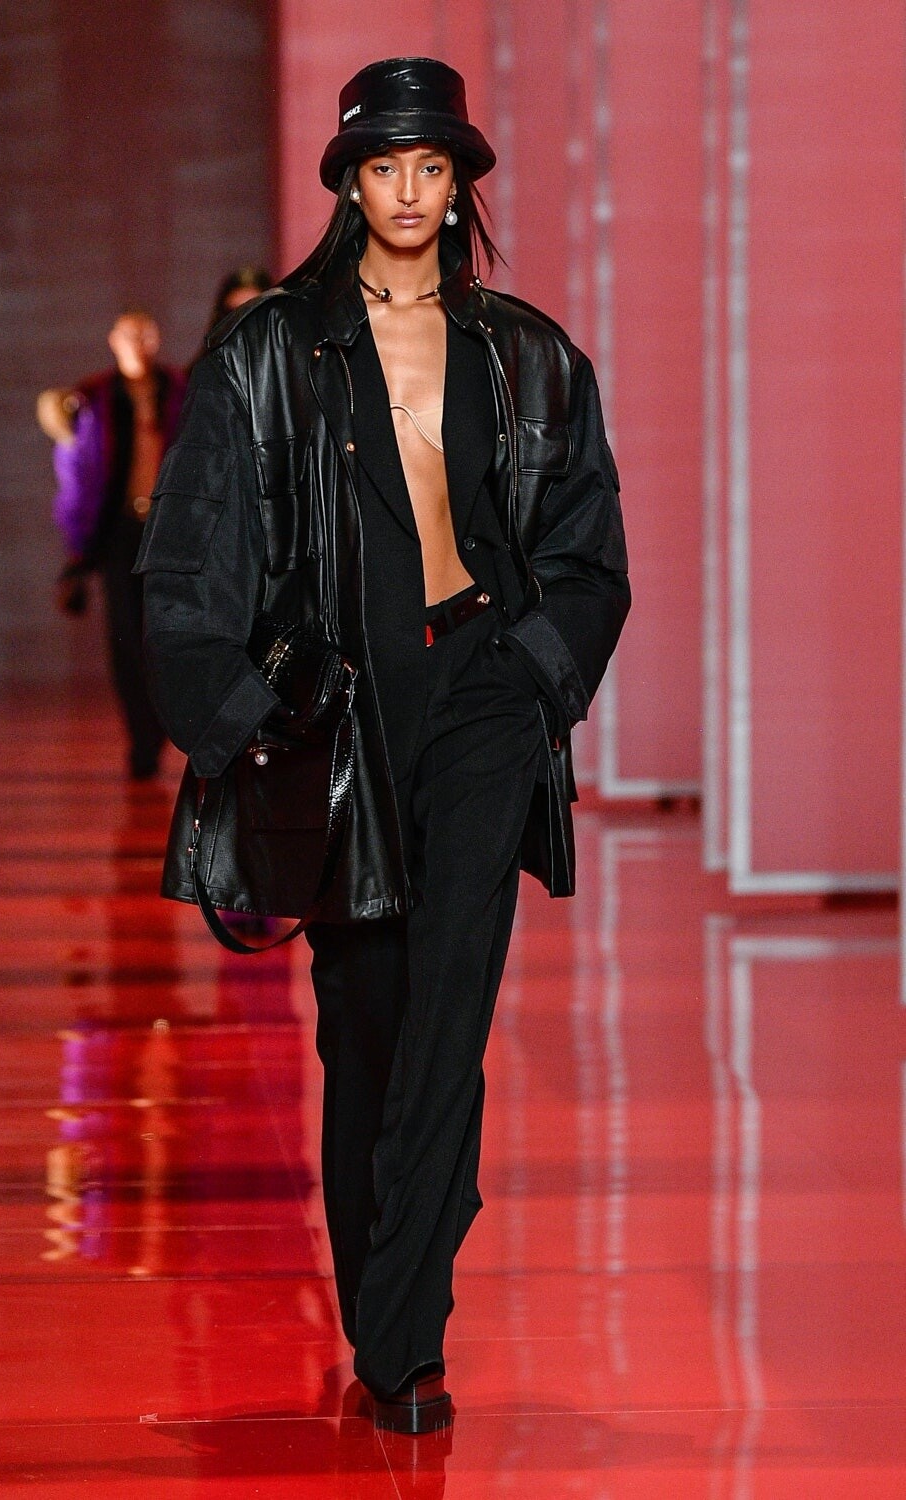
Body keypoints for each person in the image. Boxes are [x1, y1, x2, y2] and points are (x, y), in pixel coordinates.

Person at [135, 57, 630, 1432]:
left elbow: (586, 551)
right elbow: (190, 554)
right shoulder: (265, 353)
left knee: (447, 1012)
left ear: (458, 184)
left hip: (481, 697)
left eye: (431, 165)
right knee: (365, 1025)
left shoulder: (529, 354)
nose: (408, 189)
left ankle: (407, 1345)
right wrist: (240, 723)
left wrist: (534, 677)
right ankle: (381, 1311)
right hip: (339, 719)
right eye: (383, 165)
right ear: (349, 184)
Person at [37, 309, 187, 780]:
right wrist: (79, 549)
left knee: (170, 634)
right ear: (114, 341)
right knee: (126, 637)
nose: (137, 343)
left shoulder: (179, 390)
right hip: (121, 531)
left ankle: (165, 726)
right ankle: (143, 739)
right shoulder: (95, 397)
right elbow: (79, 478)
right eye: (129, 335)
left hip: (171, 530)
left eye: (144, 334)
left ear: (155, 339)